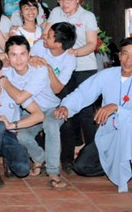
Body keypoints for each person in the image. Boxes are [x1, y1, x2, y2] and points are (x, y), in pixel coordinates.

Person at [54, 38, 132, 195]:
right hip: (109, 131)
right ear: (119, 56)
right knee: (81, 166)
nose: (128, 59)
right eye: (125, 54)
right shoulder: (106, 75)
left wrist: (116, 108)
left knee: (130, 129)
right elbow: (83, 93)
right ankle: (117, 167)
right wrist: (66, 106)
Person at [42, 0, 98, 174]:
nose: (64, 4)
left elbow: (92, 44)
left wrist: (74, 52)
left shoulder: (87, 16)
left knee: (86, 112)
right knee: (65, 109)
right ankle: (69, 154)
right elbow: (46, 35)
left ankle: (93, 152)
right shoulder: (56, 13)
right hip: (62, 69)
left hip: (84, 67)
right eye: (61, 0)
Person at [0, 54, 43, 187]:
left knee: (22, 170)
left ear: (0, 73)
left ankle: (7, 160)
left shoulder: (11, 90)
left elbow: (39, 115)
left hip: (9, 135)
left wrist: (12, 125)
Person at [28, 23, 77, 188]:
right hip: (32, 105)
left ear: (59, 44)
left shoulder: (69, 59)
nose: (44, 37)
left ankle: (53, 172)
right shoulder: (38, 47)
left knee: (51, 124)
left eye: (48, 36)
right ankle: (40, 157)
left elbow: (57, 89)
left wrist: (48, 68)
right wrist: (30, 60)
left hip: (53, 105)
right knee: (21, 136)